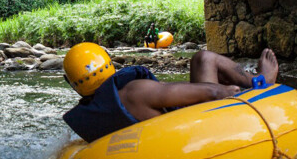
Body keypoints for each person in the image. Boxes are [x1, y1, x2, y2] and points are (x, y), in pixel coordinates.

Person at [61, 42, 279, 142]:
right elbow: (215, 94)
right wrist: (235, 92)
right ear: (110, 64)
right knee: (204, 58)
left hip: (161, 143)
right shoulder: (136, 91)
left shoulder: (94, 114)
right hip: (202, 134)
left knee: (199, 69)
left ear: (72, 84)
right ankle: (261, 80)